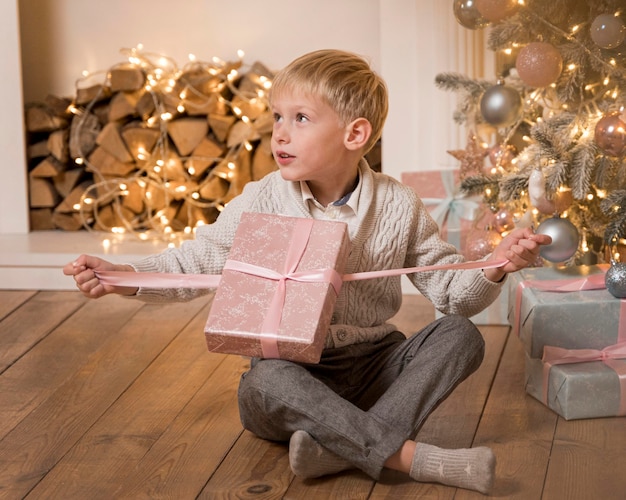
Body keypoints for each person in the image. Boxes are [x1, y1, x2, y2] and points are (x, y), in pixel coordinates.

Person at [64, 49, 551, 495]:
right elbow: (196, 260)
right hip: (292, 373)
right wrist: (123, 274)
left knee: (461, 336)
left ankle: (334, 448)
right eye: (277, 117)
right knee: (263, 381)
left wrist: (496, 267)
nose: (280, 132)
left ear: (354, 134)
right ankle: (407, 457)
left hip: (373, 367)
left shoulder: (398, 204)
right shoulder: (261, 198)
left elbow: (452, 294)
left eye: (300, 119)